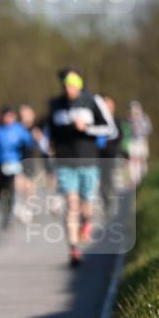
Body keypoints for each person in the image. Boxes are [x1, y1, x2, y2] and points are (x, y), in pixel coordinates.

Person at [44, 69, 116, 266]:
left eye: (71, 86)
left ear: (79, 86)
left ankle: (87, 220)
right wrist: (48, 149)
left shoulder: (92, 101)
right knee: (71, 204)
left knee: (85, 203)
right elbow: (48, 132)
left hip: (88, 161)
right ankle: (74, 250)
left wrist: (87, 128)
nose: (68, 89)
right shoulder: (55, 104)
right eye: (65, 85)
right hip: (65, 162)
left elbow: (110, 128)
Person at [0, 106, 35, 229]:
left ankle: (8, 214)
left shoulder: (18, 128)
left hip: (13, 162)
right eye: (6, 116)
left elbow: (29, 142)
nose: (8, 119)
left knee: (11, 188)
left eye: (10, 116)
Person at [125, 100, 152, 187]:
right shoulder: (127, 120)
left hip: (141, 141)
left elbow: (148, 130)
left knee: (141, 160)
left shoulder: (144, 118)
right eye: (131, 110)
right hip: (131, 142)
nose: (133, 112)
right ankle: (134, 180)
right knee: (132, 161)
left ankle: (143, 178)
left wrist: (138, 129)